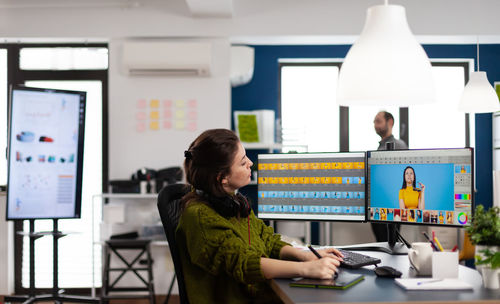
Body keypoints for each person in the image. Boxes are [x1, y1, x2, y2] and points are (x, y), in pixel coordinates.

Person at [176, 129, 344, 304]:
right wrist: (305, 269)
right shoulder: (199, 216)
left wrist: (305, 256)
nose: (250, 163)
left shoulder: (234, 203)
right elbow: (245, 263)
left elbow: (267, 240)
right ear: (222, 177)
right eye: (242, 163)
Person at [371, 111, 408, 241]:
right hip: (378, 203)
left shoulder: (399, 145)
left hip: (391, 204)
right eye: (374, 122)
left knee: (390, 243)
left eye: (378, 121)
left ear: (390, 122)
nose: (375, 125)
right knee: (382, 243)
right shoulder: (380, 147)